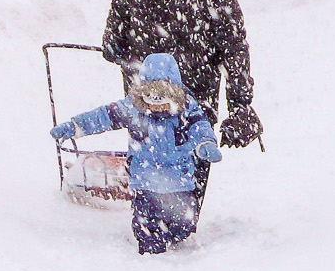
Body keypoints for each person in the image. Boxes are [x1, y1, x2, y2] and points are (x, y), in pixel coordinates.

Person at [102, 0, 261, 220]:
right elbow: (114, 35)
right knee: (148, 174)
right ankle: (151, 227)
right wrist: (120, 49)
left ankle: (179, 224)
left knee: (187, 177)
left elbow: (233, 45)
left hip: (195, 98)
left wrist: (241, 105)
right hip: (145, 101)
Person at [50, 53, 222, 254]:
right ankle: (150, 259)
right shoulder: (132, 109)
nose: (156, 105)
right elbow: (103, 116)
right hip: (145, 183)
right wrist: (75, 126)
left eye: (163, 99)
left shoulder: (187, 110)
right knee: (148, 231)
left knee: (182, 226)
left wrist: (205, 143)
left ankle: (177, 234)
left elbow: (200, 127)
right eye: (151, 98)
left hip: (179, 182)